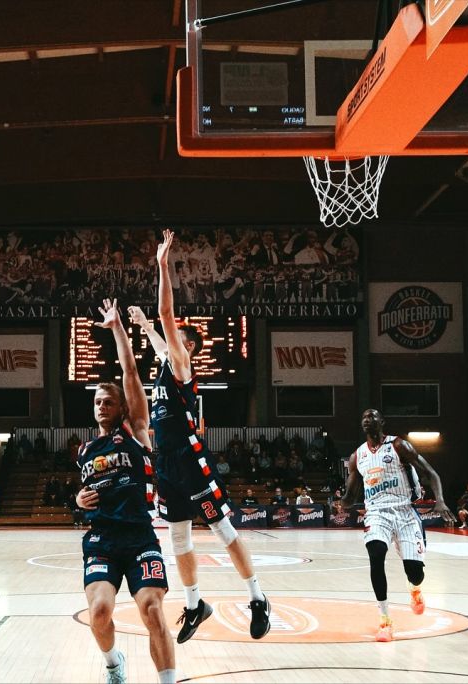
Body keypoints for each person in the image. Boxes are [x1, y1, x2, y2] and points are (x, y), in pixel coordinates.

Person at [128, 229, 271, 644]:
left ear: (187, 347)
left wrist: (162, 265)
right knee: (178, 537)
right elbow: (160, 341)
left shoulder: (183, 366)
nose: (170, 339)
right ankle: (195, 605)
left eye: (177, 338)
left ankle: (258, 598)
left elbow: (166, 315)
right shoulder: (166, 364)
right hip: (166, 461)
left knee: (223, 530)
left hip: (191, 460)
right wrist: (143, 325)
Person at [74, 299, 176, 684]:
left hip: (139, 537)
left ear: (121, 408)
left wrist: (117, 327)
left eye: (108, 402)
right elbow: (89, 492)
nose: (102, 406)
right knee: (99, 612)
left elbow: (130, 371)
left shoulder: (135, 431)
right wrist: (78, 499)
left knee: (153, 610)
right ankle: (114, 664)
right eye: (97, 402)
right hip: (101, 539)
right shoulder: (85, 450)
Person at [341, 408, 455, 642]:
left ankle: (414, 588)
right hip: (376, 513)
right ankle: (385, 620)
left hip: (405, 512)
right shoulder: (357, 456)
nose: (367, 420)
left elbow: (431, 473)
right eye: (364, 417)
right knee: (376, 555)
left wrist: (440, 500)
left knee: (415, 573)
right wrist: (342, 503)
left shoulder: (399, 446)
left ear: (382, 422)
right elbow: (350, 496)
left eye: (372, 416)